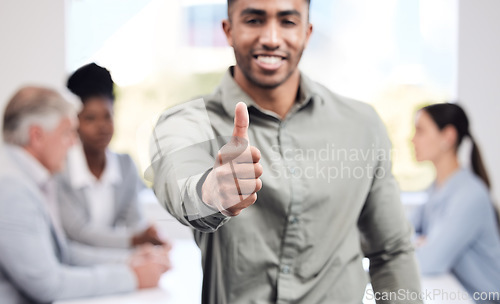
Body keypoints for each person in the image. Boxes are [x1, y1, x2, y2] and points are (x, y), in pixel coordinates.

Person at [149, 0, 422, 303]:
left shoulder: (362, 125)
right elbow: (179, 188)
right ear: (228, 30)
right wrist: (212, 193)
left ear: (307, 32)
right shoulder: (186, 122)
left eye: (287, 22)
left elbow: (391, 253)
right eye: (254, 20)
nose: (271, 38)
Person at [0, 87, 170, 304]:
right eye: (67, 133)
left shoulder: (31, 179)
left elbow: (61, 253)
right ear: (37, 136)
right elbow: (48, 284)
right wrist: (132, 277)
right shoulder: (11, 188)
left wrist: (129, 261)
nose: (73, 143)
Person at [57, 63, 166, 248]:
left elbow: (134, 222)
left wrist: (148, 240)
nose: (102, 126)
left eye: (107, 116)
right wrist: (134, 240)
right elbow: (79, 232)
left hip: (114, 262)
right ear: (74, 122)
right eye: (90, 118)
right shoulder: (61, 169)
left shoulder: (124, 165)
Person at [411, 103, 500, 303]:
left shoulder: (470, 194)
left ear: (448, 137)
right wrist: (421, 242)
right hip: (458, 291)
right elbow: (401, 230)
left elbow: (428, 262)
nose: (413, 139)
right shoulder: (437, 188)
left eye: (421, 131)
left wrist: (427, 244)